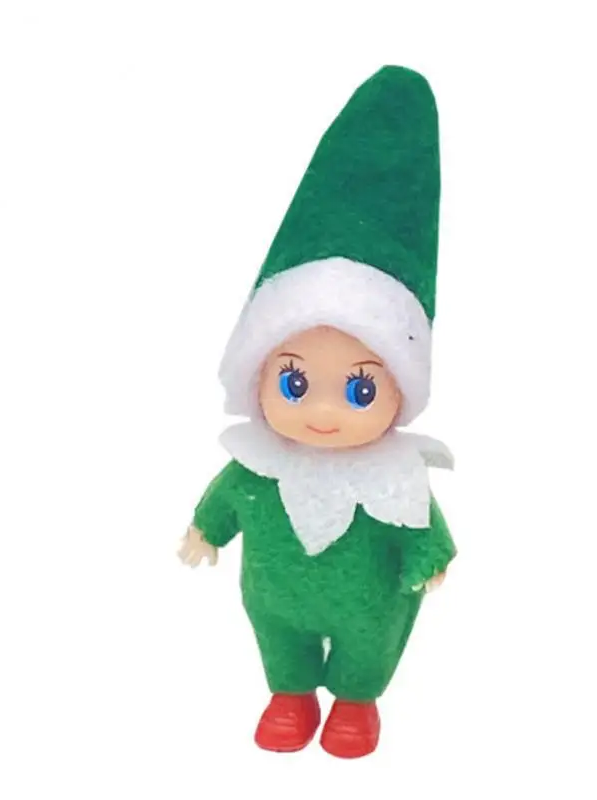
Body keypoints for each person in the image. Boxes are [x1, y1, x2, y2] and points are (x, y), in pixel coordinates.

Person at [179, 65, 456, 759]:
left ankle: (357, 702)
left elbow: (422, 522)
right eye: (297, 383)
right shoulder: (257, 467)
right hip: (274, 596)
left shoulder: (394, 479)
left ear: (398, 393)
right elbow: (225, 499)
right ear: (259, 378)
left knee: (371, 635)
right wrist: (205, 530)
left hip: (370, 600)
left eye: (360, 390)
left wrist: (430, 556)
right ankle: (290, 692)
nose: (324, 412)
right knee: (277, 634)